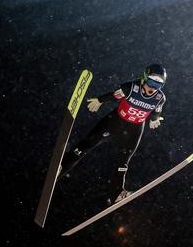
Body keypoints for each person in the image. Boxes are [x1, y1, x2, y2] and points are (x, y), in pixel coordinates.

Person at [60, 64, 167, 204]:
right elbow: (114, 95)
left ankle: (117, 193)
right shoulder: (131, 87)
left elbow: (157, 111)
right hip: (116, 121)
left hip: (134, 129)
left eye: (158, 85)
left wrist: (154, 119)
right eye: (151, 82)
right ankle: (62, 166)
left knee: (123, 161)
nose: (153, 88)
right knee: (89, 142)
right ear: (144, 78)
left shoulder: (160, 98)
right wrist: (100, 100)